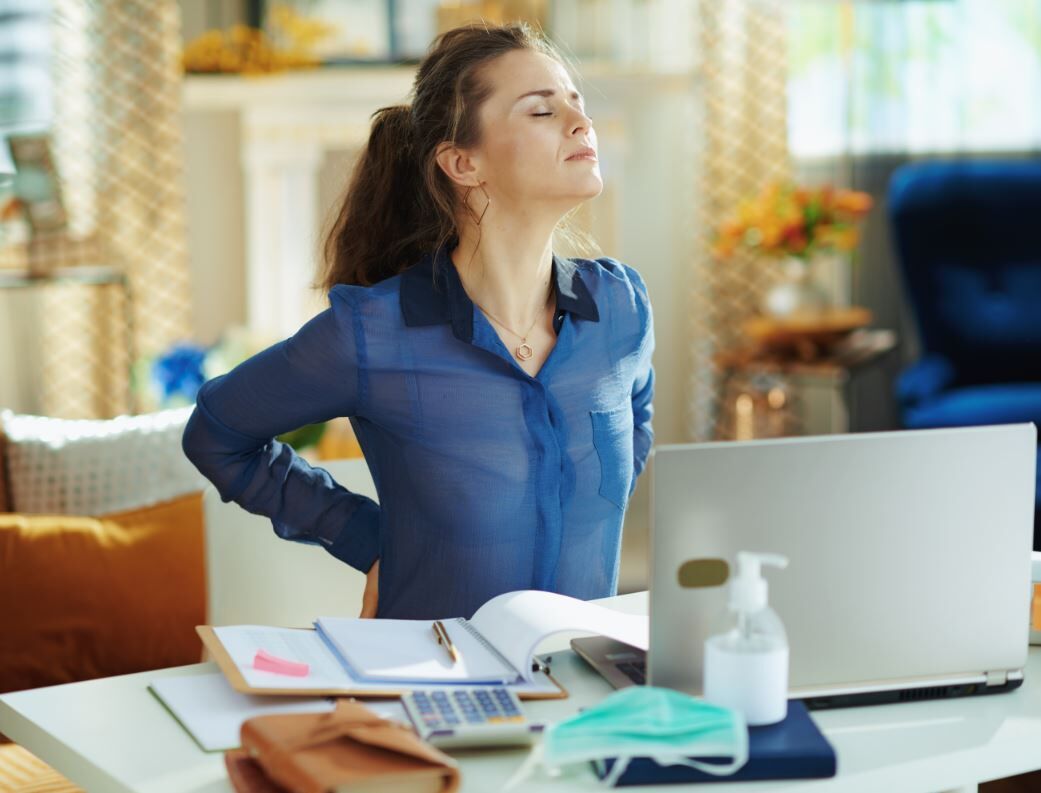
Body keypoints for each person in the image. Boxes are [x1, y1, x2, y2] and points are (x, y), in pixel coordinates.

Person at [181, 22, 655, 621]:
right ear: (462, 162)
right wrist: (365, 538)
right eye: (542, 111)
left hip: (580, 669)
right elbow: (217, 433)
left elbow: (636, 420)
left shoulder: (620, 307)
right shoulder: (374, 333)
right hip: (433, 672)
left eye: (576, 102)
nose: (581, 122)